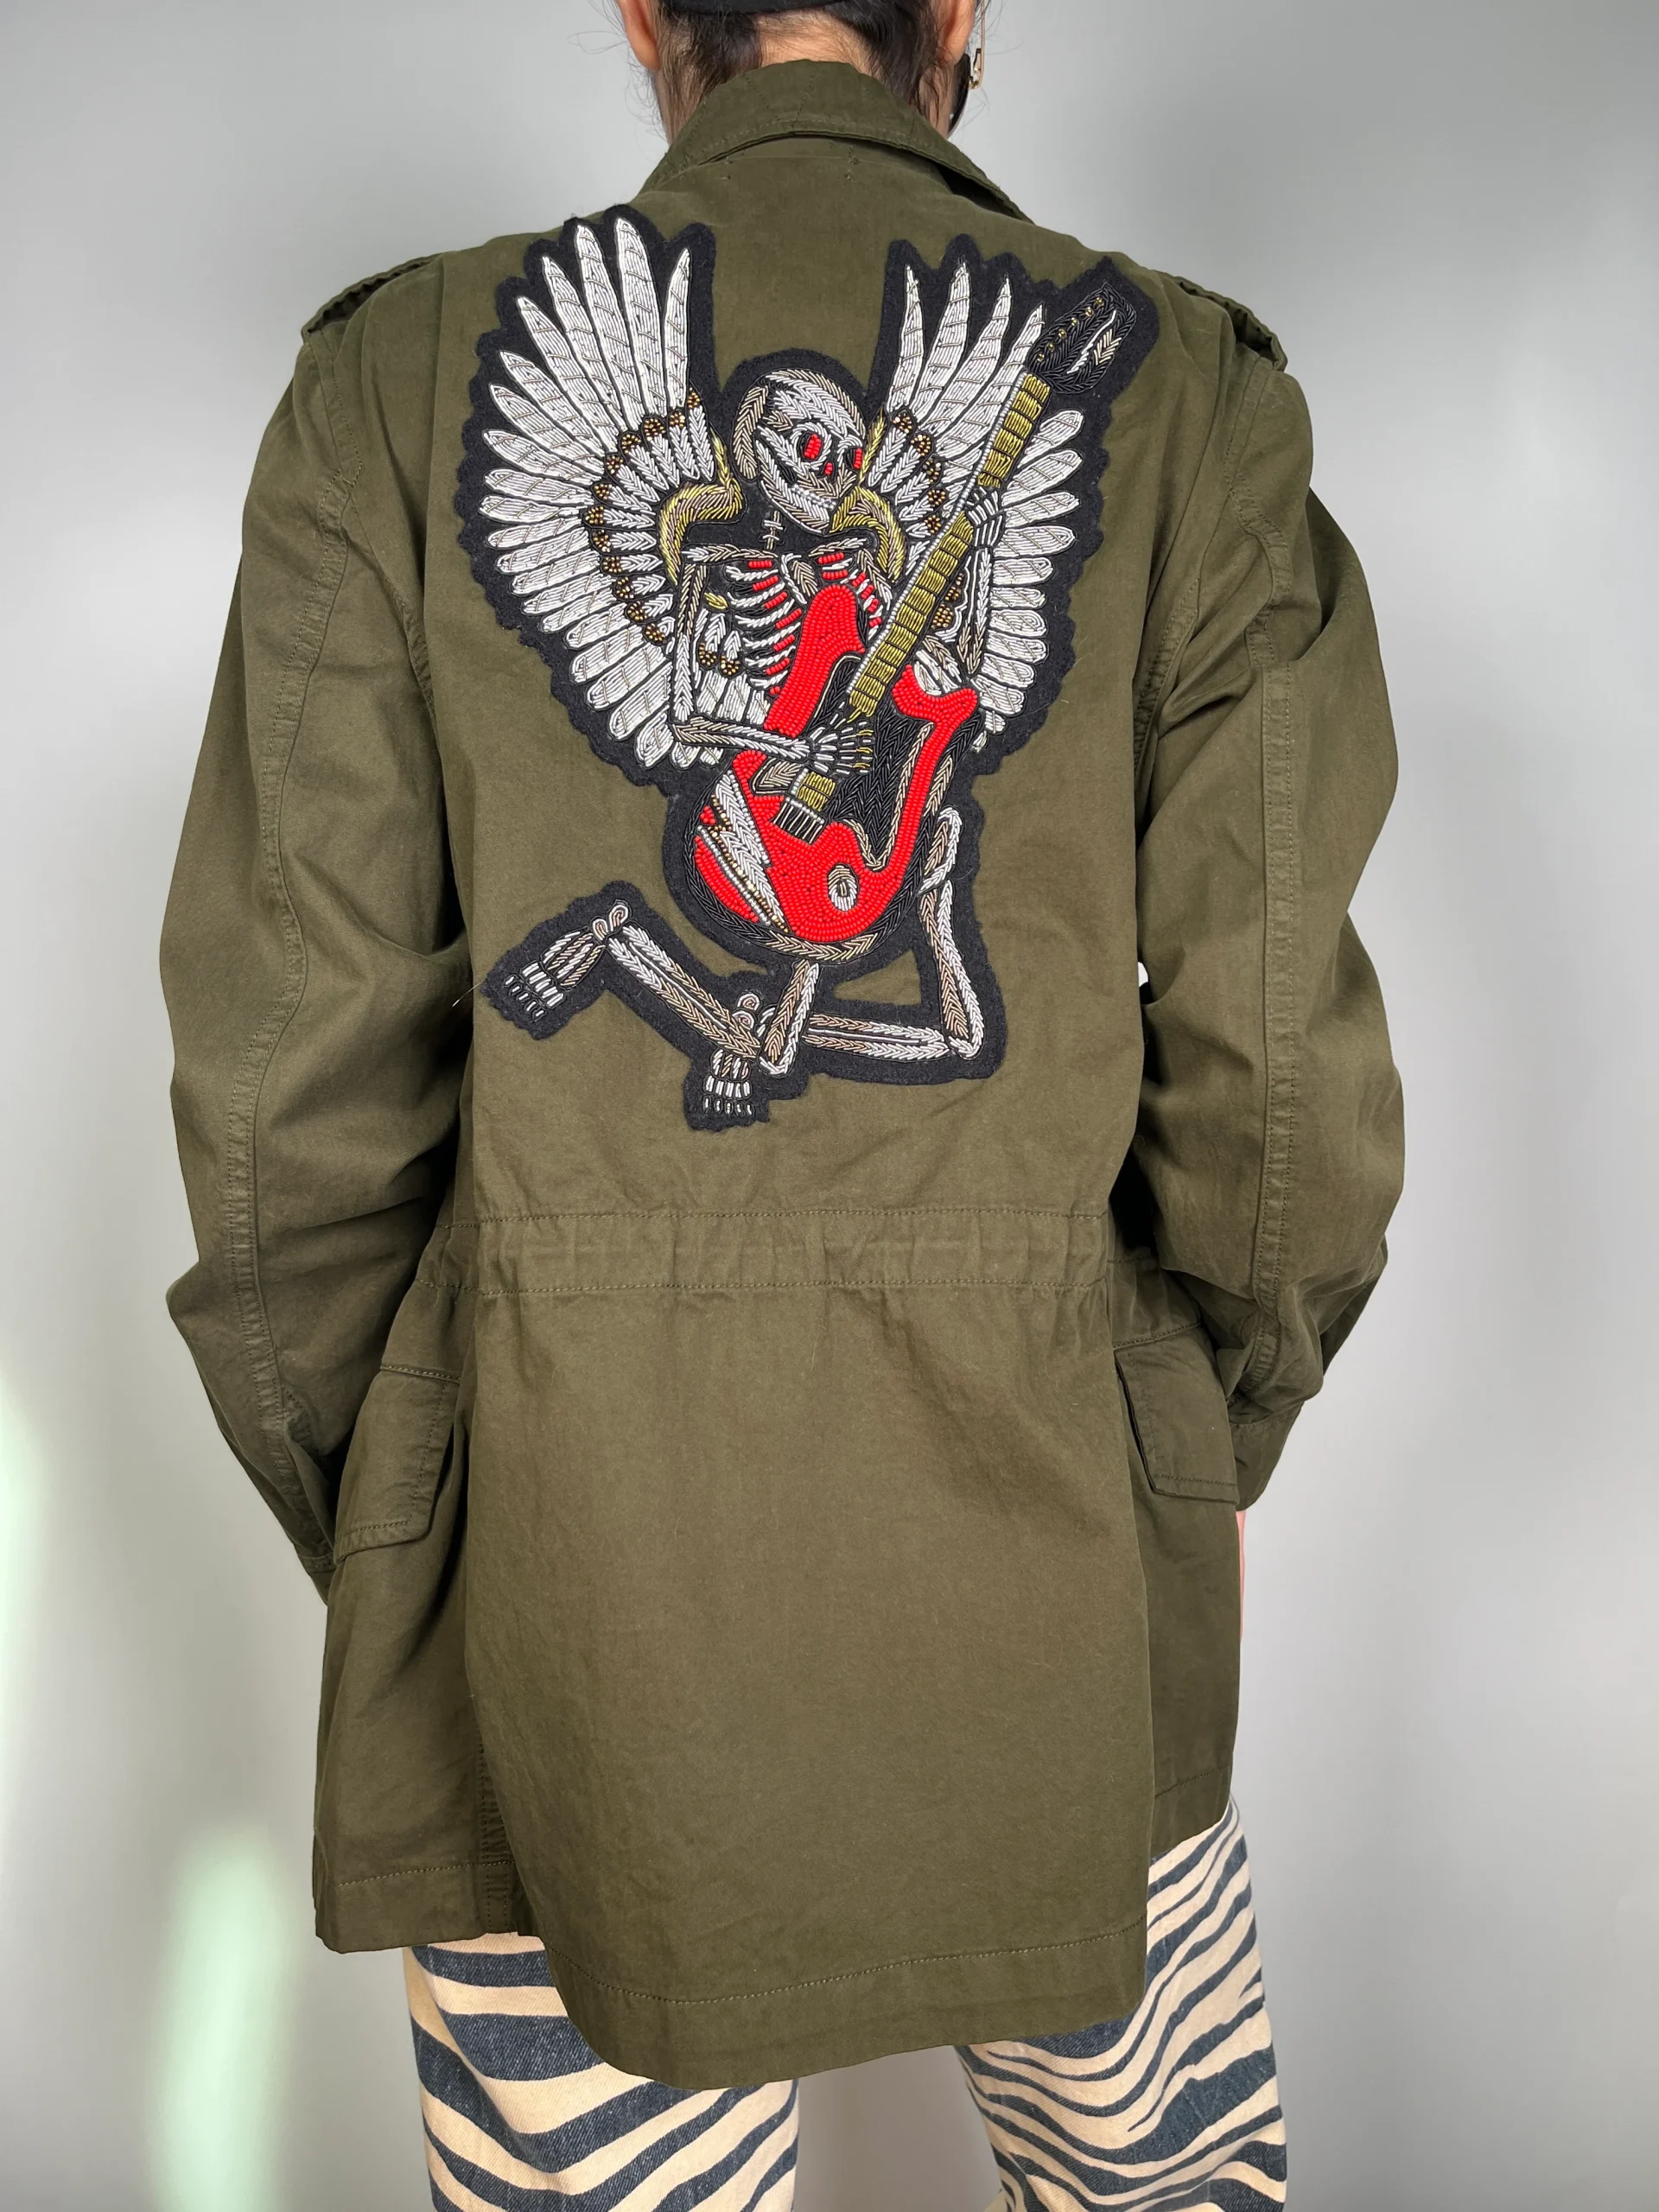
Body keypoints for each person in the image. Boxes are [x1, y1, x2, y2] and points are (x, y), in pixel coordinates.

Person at [160, 0, 1403, 2202]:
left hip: (563, 1618)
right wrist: (1184, 1446)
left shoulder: (388, 386)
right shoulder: (1194, 399)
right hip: (1060, 1585)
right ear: (966, 18)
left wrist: (432, 1505)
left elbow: (286, 1129)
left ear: (648, 16)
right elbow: (1279, 1100)